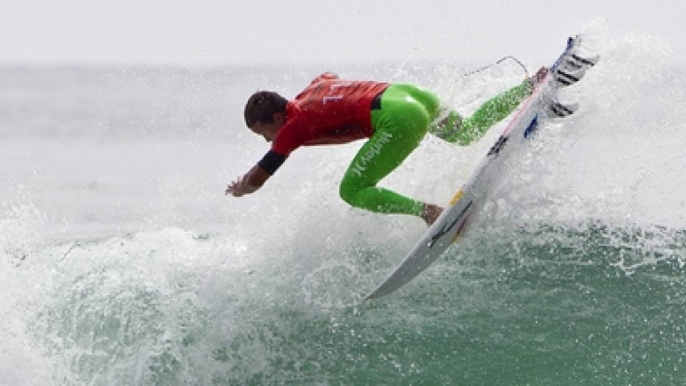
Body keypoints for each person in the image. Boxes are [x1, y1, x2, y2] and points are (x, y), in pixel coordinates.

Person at [226, 68, 547, 225]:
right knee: (468, 132)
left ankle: (427, 212)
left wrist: (242, 187)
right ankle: (531, 84)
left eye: (265, 132)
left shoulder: (293, 126)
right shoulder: (311, 90)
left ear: (279, 116)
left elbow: (261, 176)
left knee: (352, 190)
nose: (269, 140)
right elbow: (328, 77)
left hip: (397, 117)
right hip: (411, 95)